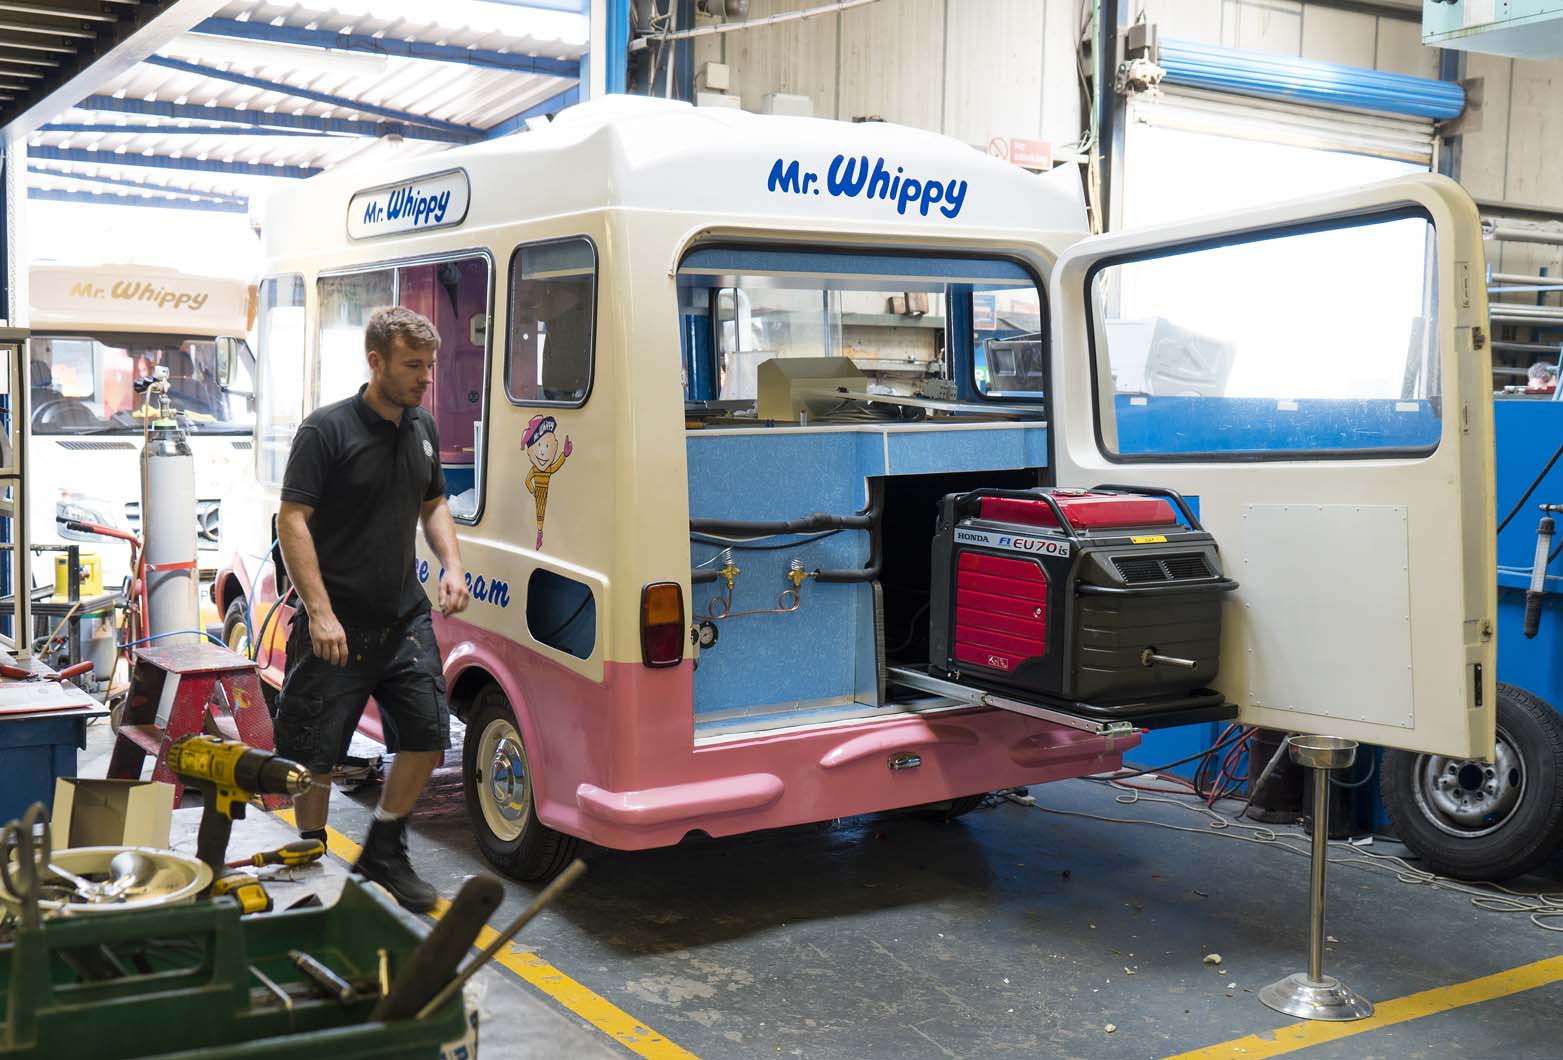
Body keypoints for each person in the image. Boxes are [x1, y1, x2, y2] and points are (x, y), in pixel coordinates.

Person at [272, 306, 471, 912]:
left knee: (427, 735)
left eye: (429, 366)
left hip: (402, 617)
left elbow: (433, 502)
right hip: (337, 623)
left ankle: (384, 848)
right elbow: (292, 520)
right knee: (315, 753)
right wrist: (320, 612)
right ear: (376, 360)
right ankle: (308, 857)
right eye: (413, 365)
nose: (425, 378)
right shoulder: (326, 432)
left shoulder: (422, 428)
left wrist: (452, 564)